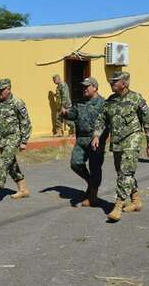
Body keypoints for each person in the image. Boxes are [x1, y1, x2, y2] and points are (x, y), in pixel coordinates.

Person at [91, 71, 149, 222]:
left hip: (132, 140)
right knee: (123, 172)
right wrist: (96, 135)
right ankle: (136, 201)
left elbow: (148, 121)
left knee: (125, 173)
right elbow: (101, 119)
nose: (111, 83)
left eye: (115, 81)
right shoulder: (110, 101)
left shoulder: (136, 98)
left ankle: (118, 206)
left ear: (125, 83)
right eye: (111, 81)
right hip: (117, 142)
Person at [62, 77, 108, 206]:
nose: (84, 89)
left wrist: (99, 136)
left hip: (96, 140)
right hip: (81, 139)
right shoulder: (80, 102)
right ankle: (91, 182)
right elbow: (73, 115)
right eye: (83, 86)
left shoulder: (103, 103)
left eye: (87, 86)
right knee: (75, 163)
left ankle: (92, 195)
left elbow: (106, 122)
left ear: (95, 87)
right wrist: (65, 113)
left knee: (95, 167)